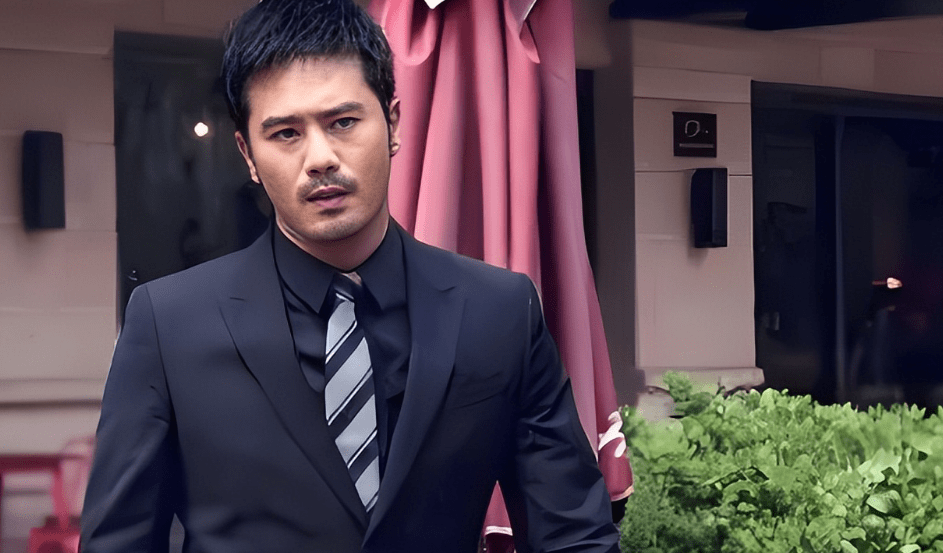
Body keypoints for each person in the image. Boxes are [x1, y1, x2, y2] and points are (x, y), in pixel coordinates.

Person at [79, 0, 620, 551]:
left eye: (343, 122)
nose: (320, 158)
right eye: (285, 133)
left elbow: (574, 536)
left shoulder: (499, 311)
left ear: (393, 124)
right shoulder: (169, 325)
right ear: (248, 155)